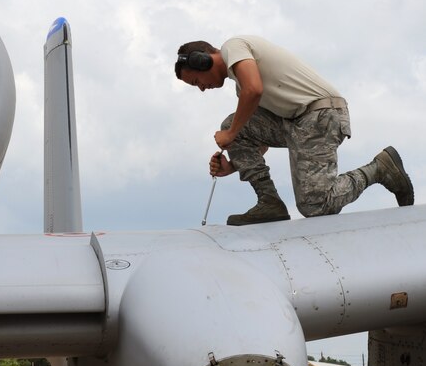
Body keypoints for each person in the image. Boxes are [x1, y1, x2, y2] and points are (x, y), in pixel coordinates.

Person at [175, 36, 414, 226]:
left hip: (320, 115)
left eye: (196, 82)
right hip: (296, 121)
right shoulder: (242, 87)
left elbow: (254, 90)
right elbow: (259, 142)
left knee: (316, 205)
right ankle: (269, 202)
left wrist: (229, 136)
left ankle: (379, 169)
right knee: (233, 126)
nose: (202, 89)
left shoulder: (232, 47)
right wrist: (233, 164)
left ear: (202, 60)